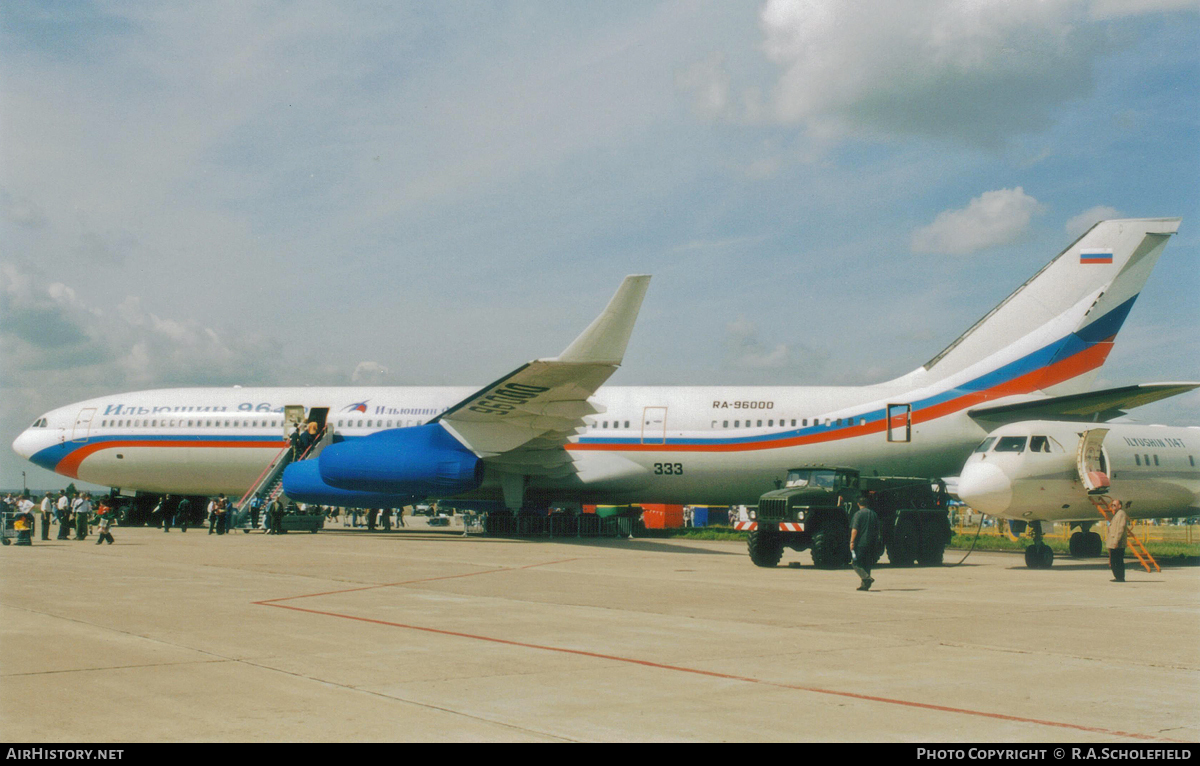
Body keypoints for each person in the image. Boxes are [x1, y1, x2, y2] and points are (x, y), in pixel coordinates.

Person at [849, 496, 880, 591]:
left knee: (855, 563)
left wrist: (852, 541)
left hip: (860, 543)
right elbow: (877, 529)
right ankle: (865, 585)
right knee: (867, 563)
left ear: (858, 504)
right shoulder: (874, 514)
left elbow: (855, 530)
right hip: (871, 543)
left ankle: (867, 578)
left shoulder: (858, 514)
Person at [1107, 502, 1130, 583]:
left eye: (1114, 505)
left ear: (1119, 506)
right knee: (1114, 561)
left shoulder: (1121, 514)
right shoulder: (1117, 514)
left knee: (1117, 561)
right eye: (1112, 505)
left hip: (1117, 543)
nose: (1112, 506)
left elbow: (1120, 528)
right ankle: (1118, 577)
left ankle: (1120, 577)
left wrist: (1116, 541)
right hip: (1114, 541)